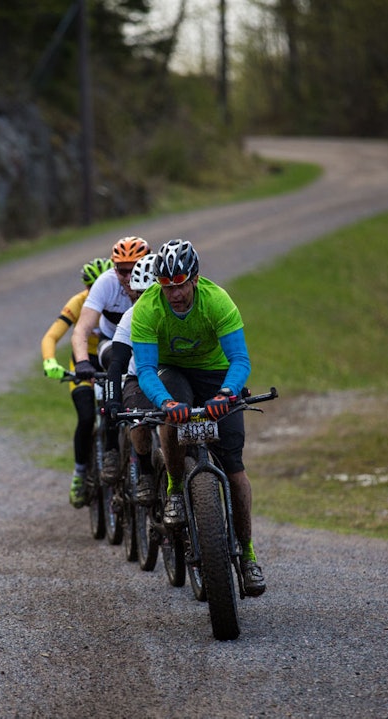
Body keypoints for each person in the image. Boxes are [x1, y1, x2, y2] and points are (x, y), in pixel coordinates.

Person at [130, 238, 266, 597]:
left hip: (216, 373)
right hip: (172, 371)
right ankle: (175, 489)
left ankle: (248, 555)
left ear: (194, 278)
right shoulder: (147, 308)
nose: (174, 293)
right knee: (173, 417)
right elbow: (145, 368)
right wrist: (165, 402)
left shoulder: (218, 301)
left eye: (180, 284)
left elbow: (240, 360)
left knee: (235, 470)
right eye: (166, 285)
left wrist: (226, 394)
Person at [70, 236, 150, 502]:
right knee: (114, 372)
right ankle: (112, 449)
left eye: (133, 268)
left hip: (146, 345)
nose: (127, 276)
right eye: (121, 269)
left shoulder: (154, 280)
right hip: (112, 344)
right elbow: (81, 329)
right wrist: (82, 361)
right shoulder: (106, 283)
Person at [40, 257, 115, 508]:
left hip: (110, 360)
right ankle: (80, 474)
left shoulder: (122, 298)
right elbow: (52, 335)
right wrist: (50, 361)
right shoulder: (79, 302)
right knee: (85, 418)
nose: (97, 292)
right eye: (90, 287)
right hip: (82, 364)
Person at [104, 253, 159, 506]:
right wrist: (112, 402)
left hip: (172, 375)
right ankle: (146, 473)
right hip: (139, 378)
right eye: (138, 296)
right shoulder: (130, 317)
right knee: (138, 420)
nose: (143, 302)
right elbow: (117, 366)